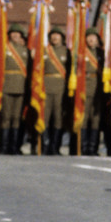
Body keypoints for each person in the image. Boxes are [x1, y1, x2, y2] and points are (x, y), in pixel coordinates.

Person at [0, 22, 30, 154]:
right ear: (9, 35)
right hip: (7, 86)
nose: (16, 35)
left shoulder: (25, 50)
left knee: (16, 118)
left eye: (18, 34)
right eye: (13, 33)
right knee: (6, 117)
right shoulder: (4, 49)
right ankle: (3, 147)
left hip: (20, 87)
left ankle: (13, 147)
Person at [40, 26, 70, 155]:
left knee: (58, 118)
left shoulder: (66, 51)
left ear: (62, 37)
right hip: (45, 87)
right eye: (53, 35)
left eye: (57, 35)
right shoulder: (44, 51)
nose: (55, 37)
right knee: (45, 117)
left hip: (60, 89)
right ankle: (44, 146)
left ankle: (55, 147)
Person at [78, 27, 105, 156]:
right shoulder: (81, 53)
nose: (91, 39)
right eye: (88, 37)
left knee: (95, 119)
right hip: (84, 89)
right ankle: (83, 147)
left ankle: (93, 148)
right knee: (84, 118)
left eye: (93, 37)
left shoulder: (102, 54)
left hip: (98, 90)